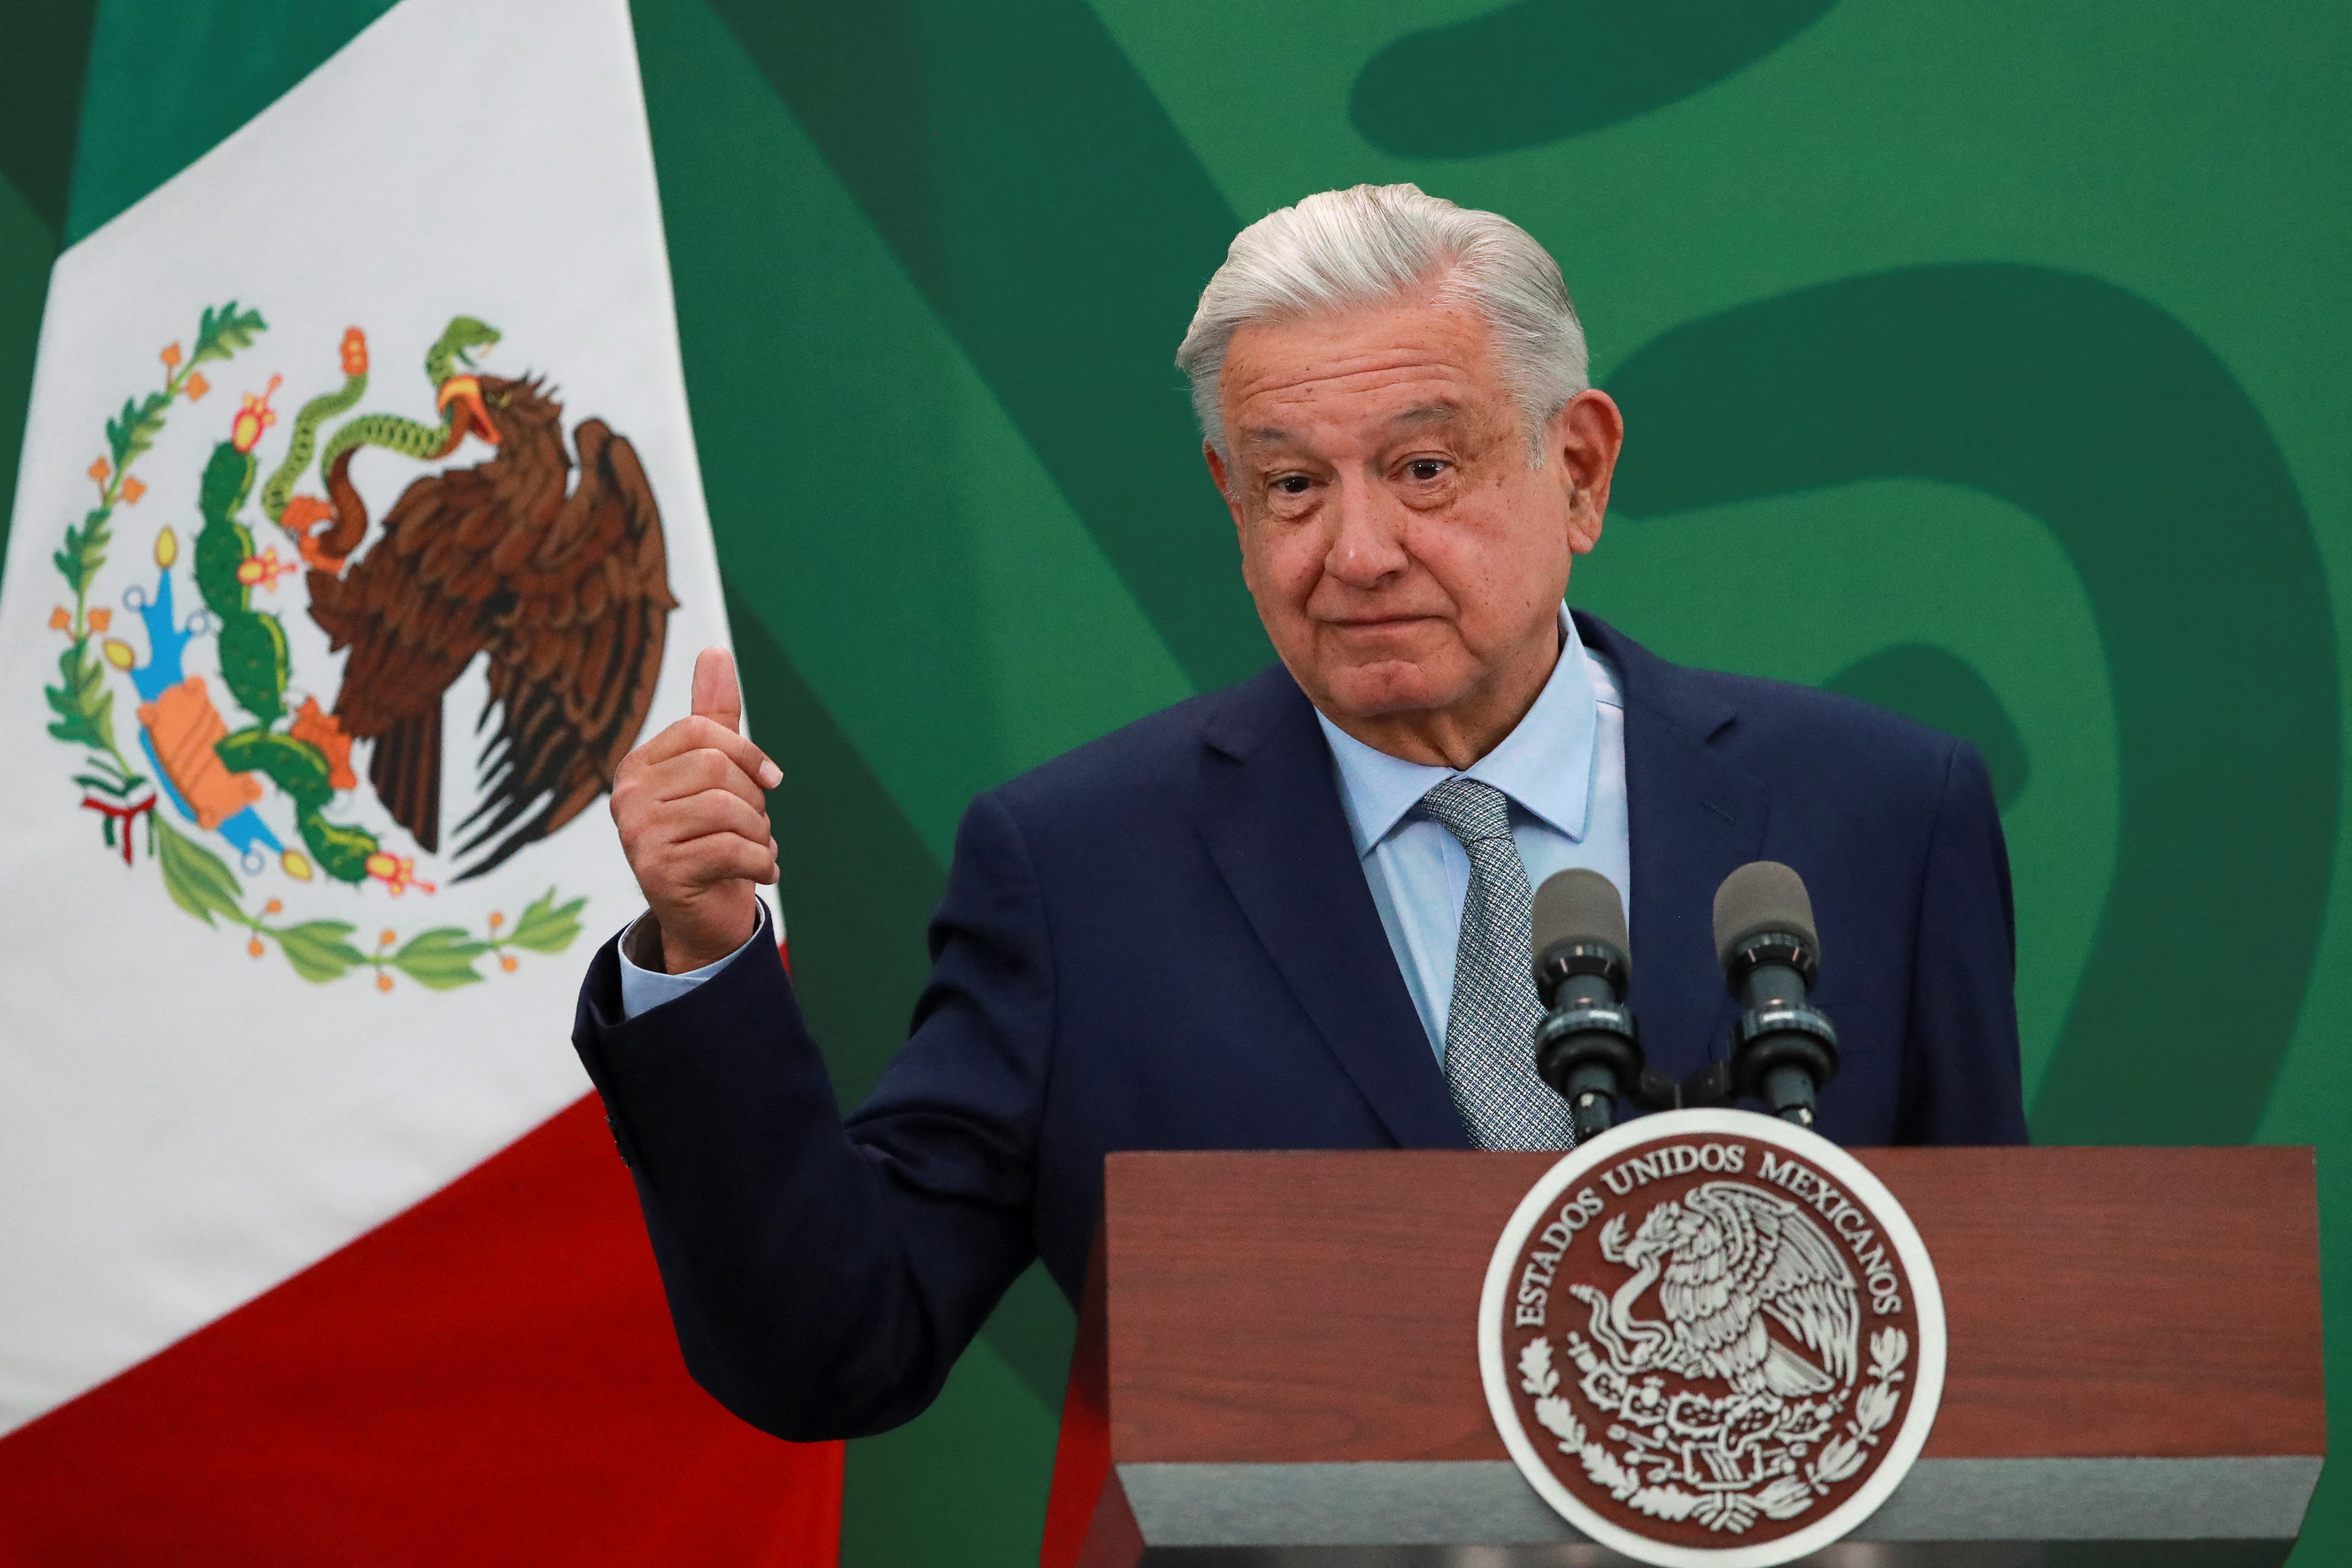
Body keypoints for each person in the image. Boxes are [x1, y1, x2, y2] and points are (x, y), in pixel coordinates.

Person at [572, 185, 2027, 1440]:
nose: (1358, 549)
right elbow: (838, 1342)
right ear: (1229, 497)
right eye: (1290, 484)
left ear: (1575, 467)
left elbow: (1997, 1347)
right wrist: (699, 957)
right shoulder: (1077, 872)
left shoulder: (1877, 814)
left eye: (1423, 467)